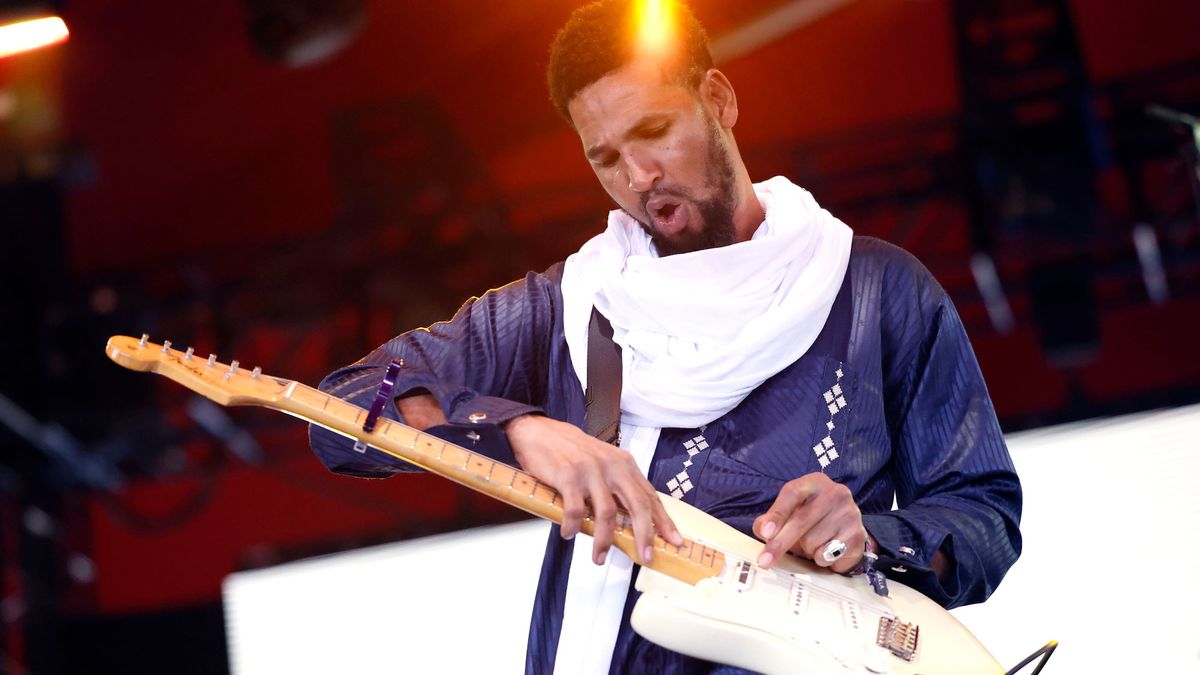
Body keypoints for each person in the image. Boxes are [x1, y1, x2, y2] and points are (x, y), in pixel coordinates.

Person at [308, 0, 1022, 672]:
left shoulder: (876, 291)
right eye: (605, 158)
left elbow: (984, 517)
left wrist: (868, 536)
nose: (639, 177)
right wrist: (521, 433)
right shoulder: (566, 309)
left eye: (653, 133)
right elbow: (342, 410)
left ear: (718, 99)